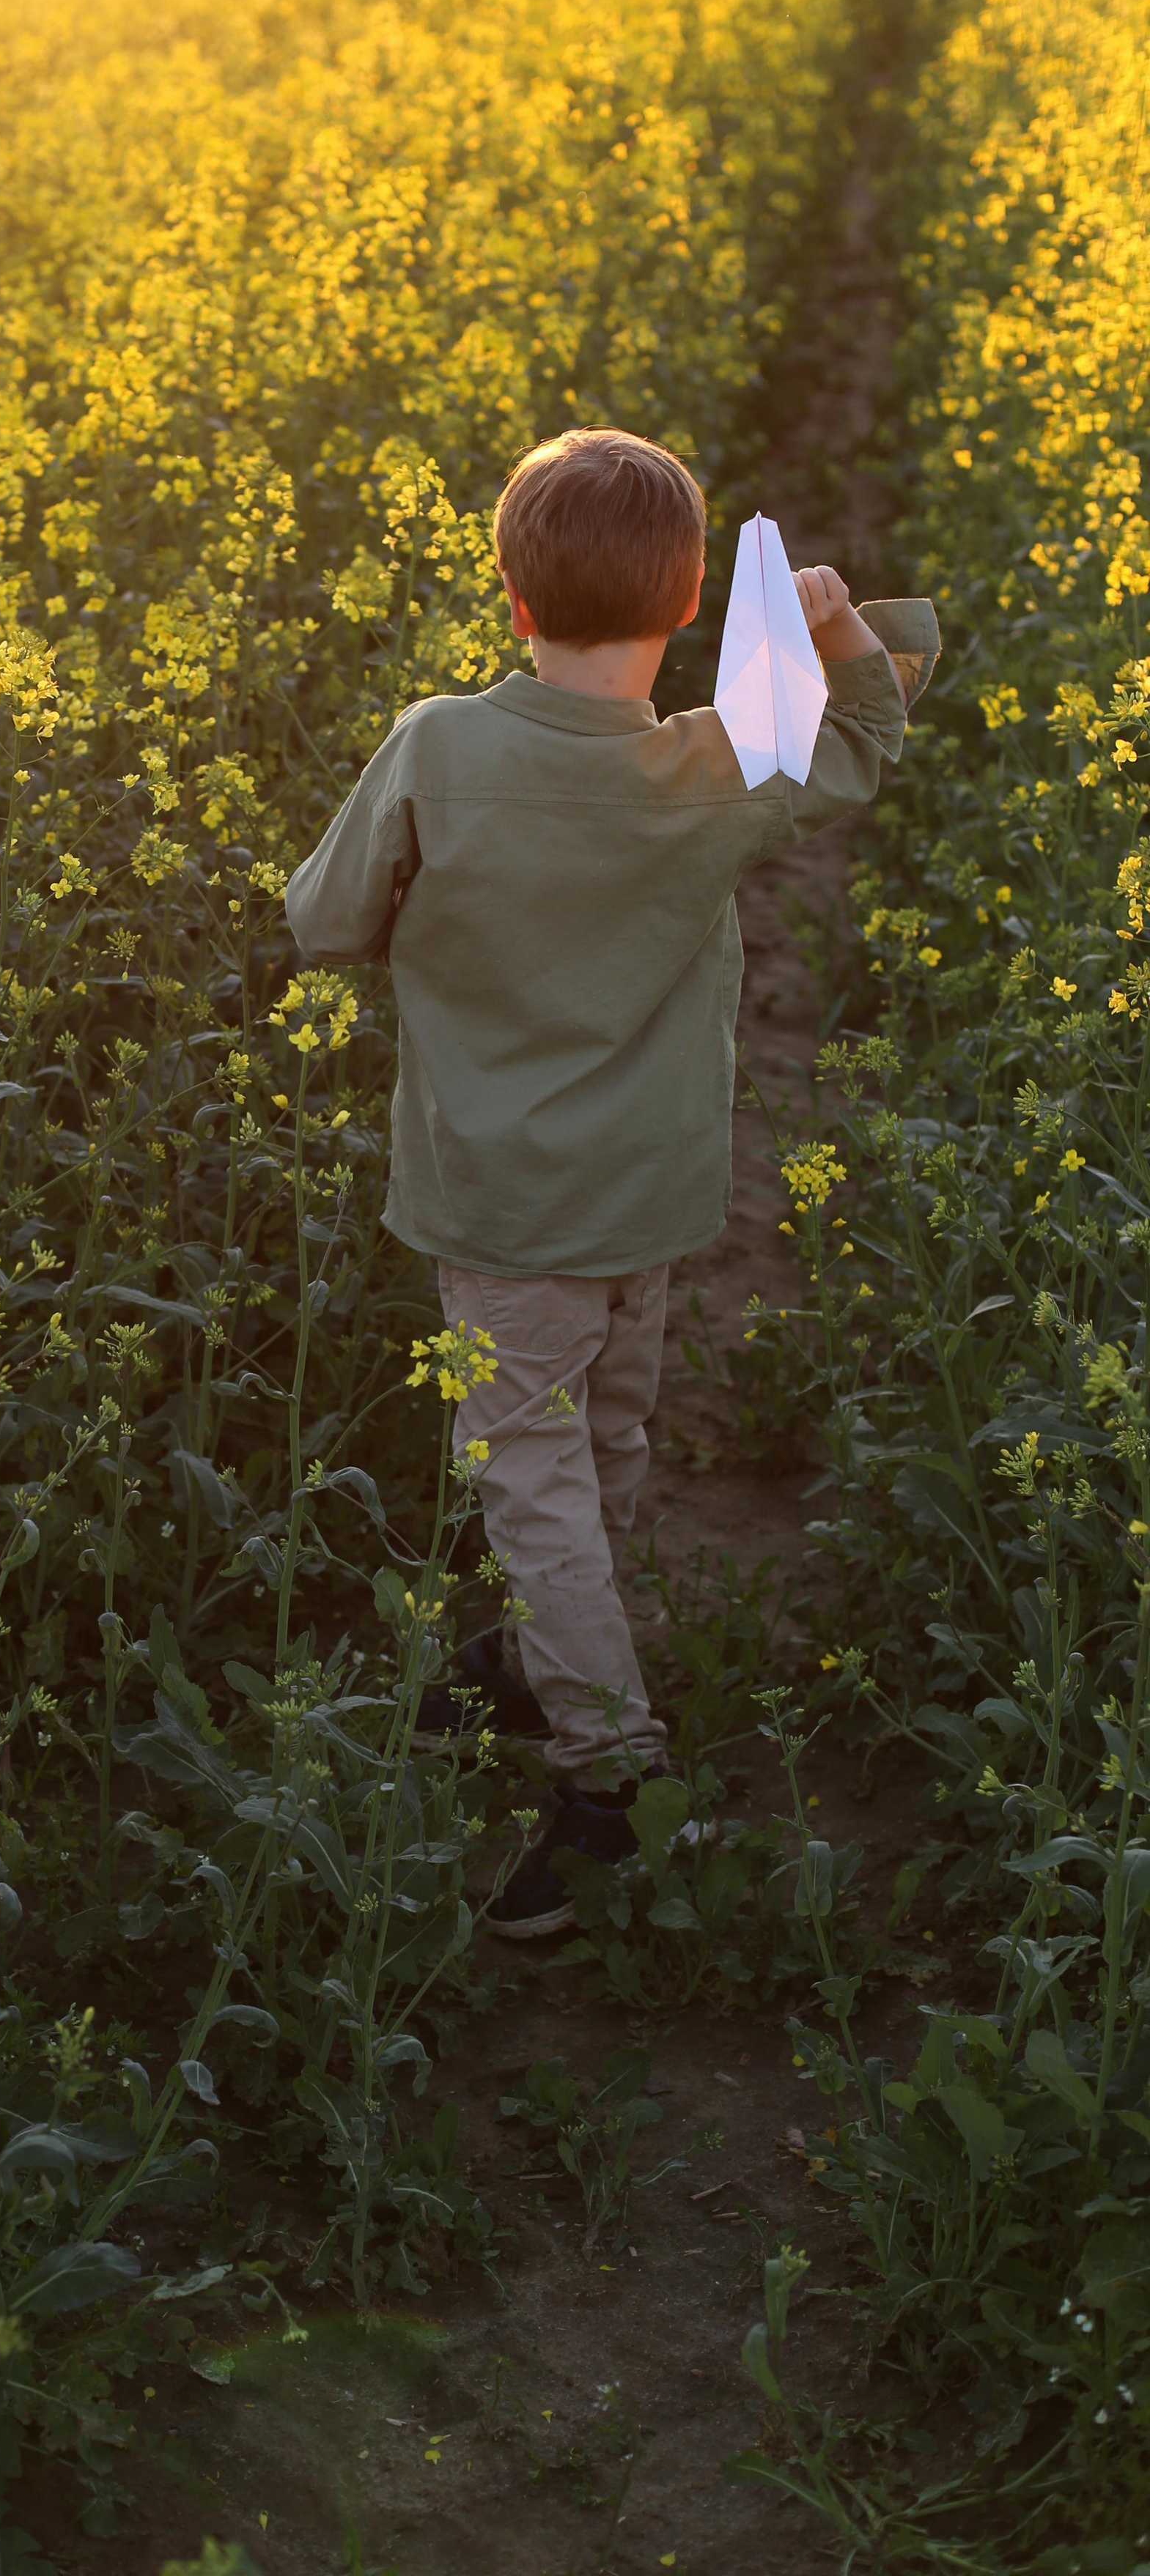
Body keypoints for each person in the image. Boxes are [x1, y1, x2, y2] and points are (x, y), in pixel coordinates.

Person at [283, 426, 939, 1938]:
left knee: (529, 1483)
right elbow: (859, 740)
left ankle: (606, 1771)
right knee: (605, 1429)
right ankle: (537, 1660)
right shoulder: (715, 760)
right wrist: (830, 627)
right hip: (648, 1193)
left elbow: (323, 921)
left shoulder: (438, 743)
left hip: (503, 1202)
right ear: (690, 595)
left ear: (510, 598)